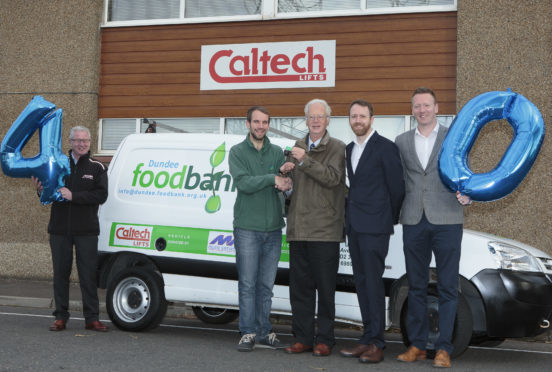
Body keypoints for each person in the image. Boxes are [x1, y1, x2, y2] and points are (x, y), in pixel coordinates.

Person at [395, 87, 471, 368]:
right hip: (413, 219)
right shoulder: (401, 141)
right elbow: (400, 179)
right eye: (417, 106)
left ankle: (444, 349)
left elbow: (465, 169)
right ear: (412, 110)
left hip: (448, 219)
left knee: (449, 287)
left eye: (427, 105)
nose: (422, 110)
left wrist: (468, 192)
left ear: (436, 108)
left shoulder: (454, 136)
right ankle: (416, 345)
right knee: (415, 286)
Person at [339, 99, 405, 363]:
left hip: (375, 227)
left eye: (362, 116)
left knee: (374, 284)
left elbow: (397, 188)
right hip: (354, 226)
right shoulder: (348, 148)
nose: (358, 120)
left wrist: (386, 219)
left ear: (371, 118)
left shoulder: (386, 147)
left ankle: (377, 342)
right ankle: (366, 338)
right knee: (362, 283)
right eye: (353, 116)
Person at [279, 99, 346, 357]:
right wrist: (285, 177)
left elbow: (332, 179)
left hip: (325, 231)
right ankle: (303, 338)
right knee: (300, 289)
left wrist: (305, 160)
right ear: (305, 120)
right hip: (298, 229)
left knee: (326, 291)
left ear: (328, 120)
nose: (316, 121)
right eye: (311, 117)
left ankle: (325, 340)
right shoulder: (296, 147)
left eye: (321, 116)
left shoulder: (338, 148)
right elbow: (292, 190)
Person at [31, 126, 109, 332]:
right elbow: (46, 197)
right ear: (70, 142)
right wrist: (40, 189)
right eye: (78, 140)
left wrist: (74, 196)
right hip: (59, 229)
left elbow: (101, 196)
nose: (82, 144)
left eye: (86, 140)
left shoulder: (97, 168)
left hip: (87, 231)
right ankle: (60, 317)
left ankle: (92, 318)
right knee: (60, 274)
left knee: (88, 275)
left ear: (90, 143)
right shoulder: (57, 164)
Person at [228, 106, 292, 352]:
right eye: (256, 122)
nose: (260, 126)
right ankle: (247, 332)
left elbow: (284, 184)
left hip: (274, 229)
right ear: (248, 124)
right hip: (247, 228)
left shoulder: (277, 152)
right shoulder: (237, 152)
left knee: (266, 285)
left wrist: (286, 182)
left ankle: (264, 331)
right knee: (247, 283)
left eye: (265, 122)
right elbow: (243, 183)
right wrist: (271, 179)